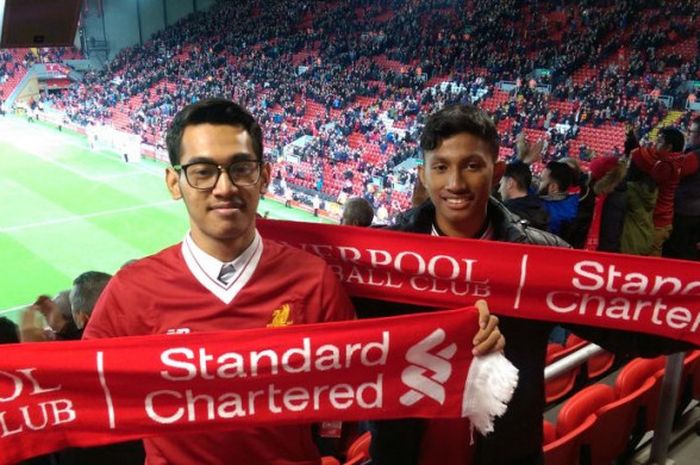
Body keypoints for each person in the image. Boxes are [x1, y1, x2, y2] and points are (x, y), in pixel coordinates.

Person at [355, 104, 690, 465]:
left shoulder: (541, 258)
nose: (454, 183)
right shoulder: (382, 258)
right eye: (441, 167)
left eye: (472, 165)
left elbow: (627, 326)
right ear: (422, 175)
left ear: (497, 170)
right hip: (403, 453)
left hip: (507, 452)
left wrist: (690, 316)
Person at [82, 99, 358, 465]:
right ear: (173, 182)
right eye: (202, 171)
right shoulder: (132, 290)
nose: (224, 187)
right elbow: (82, 394)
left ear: (265, 176)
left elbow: (357, 388)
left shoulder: (312, 279)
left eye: (241, 168)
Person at [664, 115, 700, 260]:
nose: (688, 135)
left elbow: (669, 172)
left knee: (676, 252)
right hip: (694, 212)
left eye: (691, 132)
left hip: (685, 214)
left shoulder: (695, 156)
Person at [498, 161, 549, 231]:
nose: (499, 190)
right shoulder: (541, 211)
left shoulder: (506, 214)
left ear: (510, 183)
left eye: (501, 184)